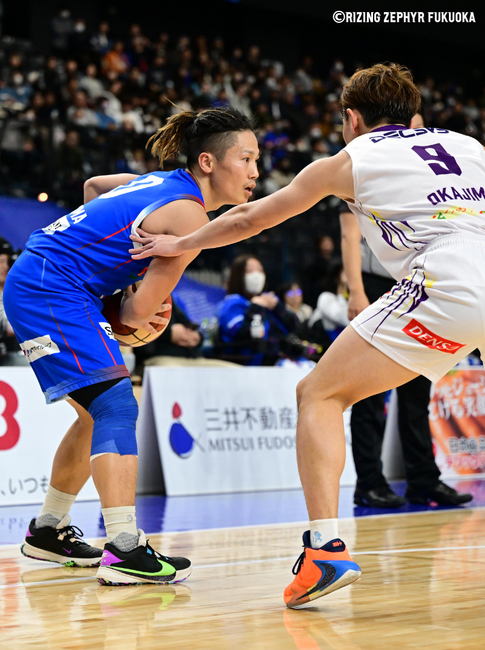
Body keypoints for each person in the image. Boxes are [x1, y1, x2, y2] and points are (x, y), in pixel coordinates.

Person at [130, 63, 485, 607]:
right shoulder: (468, 145)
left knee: (319, 394)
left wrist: (179, 243)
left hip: (448, 275)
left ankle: (325, 550)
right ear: (413, 113)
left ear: (351, 118)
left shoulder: (352, 158)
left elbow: (249, 219)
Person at [3, 107, 259, 585]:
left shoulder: (157, 181)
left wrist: (113, 280)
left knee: (96, 413)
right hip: (52, 287)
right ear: (208, 162)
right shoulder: (189, 215)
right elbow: (140, 314)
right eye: (245, 159)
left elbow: (94, 187)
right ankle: (123, 548)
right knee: (117, 406)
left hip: (40, 278)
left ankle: (48, 530)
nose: (255, 172)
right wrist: (129, 301)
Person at [340, 185, 473, 507]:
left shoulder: (420, 177)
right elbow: (349, 235)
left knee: (417, 390)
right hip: (374, 283)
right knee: (368, 393)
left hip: (416, 281)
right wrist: (356, 291)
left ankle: (423, 480)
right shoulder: (363, 172)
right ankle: (369, 483)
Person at [217, 254, 299, 365]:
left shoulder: (268, 300)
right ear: (238, 275)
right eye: (250, 271)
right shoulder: (233, 303)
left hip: (280, 361)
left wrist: (278, 307)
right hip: (251, 365)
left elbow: (295, 327)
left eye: (260, 271)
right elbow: (240, 335)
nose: (257, 275)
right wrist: (255, 308)